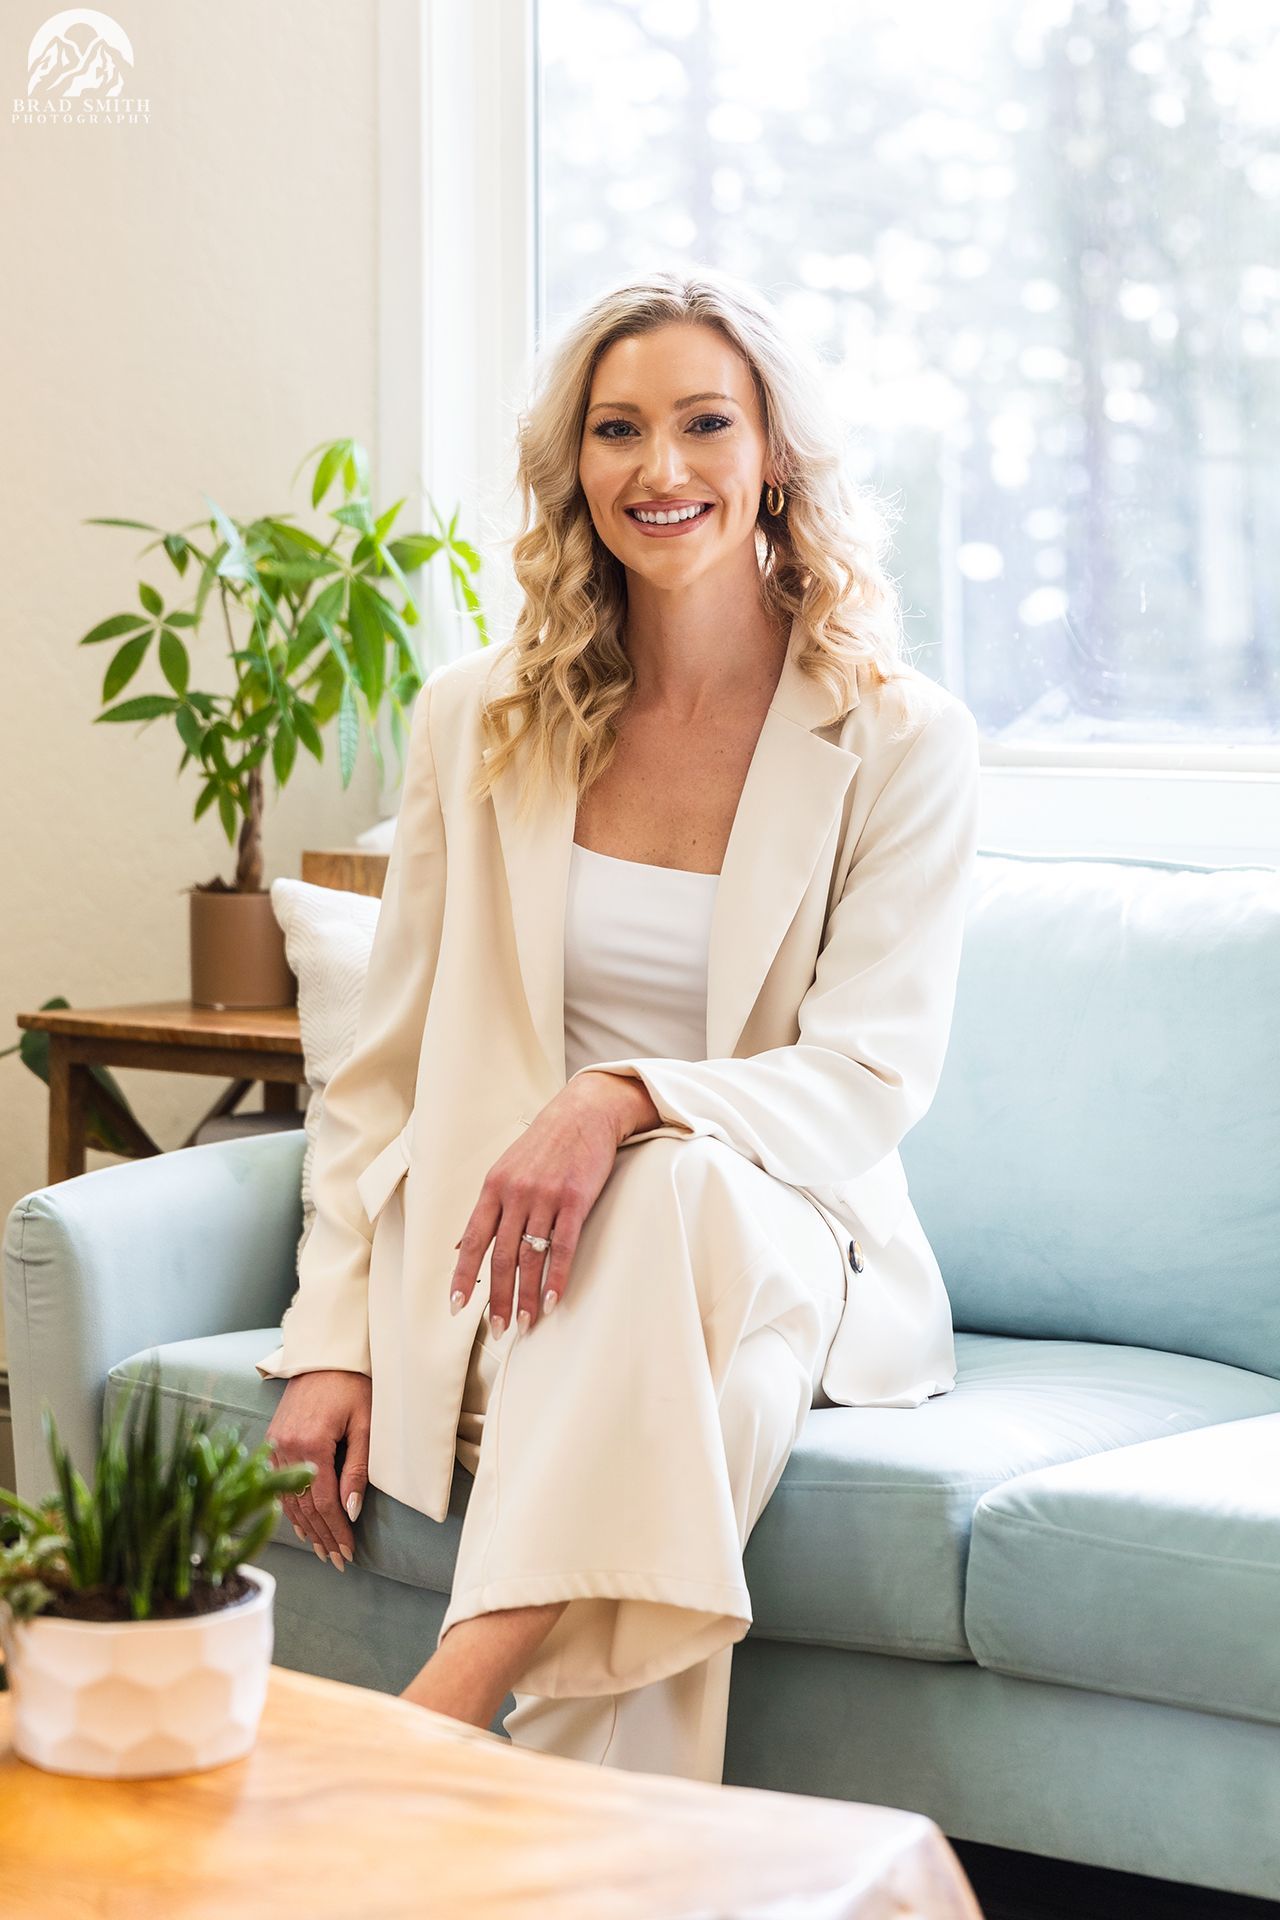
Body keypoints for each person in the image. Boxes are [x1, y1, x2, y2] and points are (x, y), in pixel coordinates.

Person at [256, 265, 982, 1785]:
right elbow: (379, 1071)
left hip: (785, 1225)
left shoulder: (898, 735)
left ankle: (446, 1710)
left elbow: (867, 1076)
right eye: (617, 430)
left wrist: (620, 1097)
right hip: (528, 1269)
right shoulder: (482, 715)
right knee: (710, 1397)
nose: (660, 469)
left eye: (705, 423)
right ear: (572, 466)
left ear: (773, 450)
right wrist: (329, 1336)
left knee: (676, 1180)